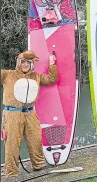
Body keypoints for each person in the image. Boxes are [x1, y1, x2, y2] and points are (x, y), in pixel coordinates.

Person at [1, 50, 58, 178]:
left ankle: (39, 165)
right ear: (18, 63)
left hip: (30, 113)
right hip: (12, 115)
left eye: (28, 62)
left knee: (36, 139)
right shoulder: (8, 74)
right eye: (23, 62)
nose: (25, 64)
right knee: (12, 143)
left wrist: (52, 64)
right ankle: (11, 173)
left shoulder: (36, 76)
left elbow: (51, 79)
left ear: (32, 64)